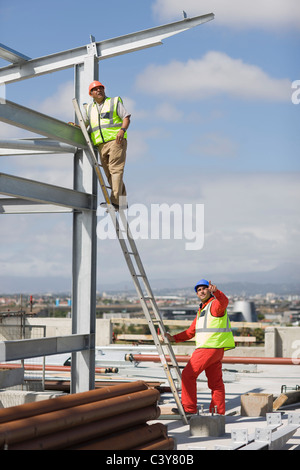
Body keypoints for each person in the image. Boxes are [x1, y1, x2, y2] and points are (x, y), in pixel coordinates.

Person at [166, 279, 235, 415]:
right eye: (199, 290)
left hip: (208, 349)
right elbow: (191, 332)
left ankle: (189, 409)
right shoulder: (202, 310)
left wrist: (217, 292)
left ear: (209, 290)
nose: (202, 291)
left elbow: (224, 302)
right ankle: (217, 413)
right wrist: (173, 338)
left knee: (187, 375)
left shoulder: (215, 304)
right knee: (216, 384)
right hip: (216, 350)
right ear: (196, 294)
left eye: (204, 288)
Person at [84, 80, 131, 210]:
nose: (99, 90)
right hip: (100, 144)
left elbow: (126, 117)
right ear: (91, 93)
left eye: (101, 88)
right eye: (96, 89)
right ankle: (122, 201)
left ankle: (115, 202)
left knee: (116, 170)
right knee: (109, 174)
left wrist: (122, 130)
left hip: (116, 141)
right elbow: (86, 125)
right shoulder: (89, 108)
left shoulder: (113, 102)